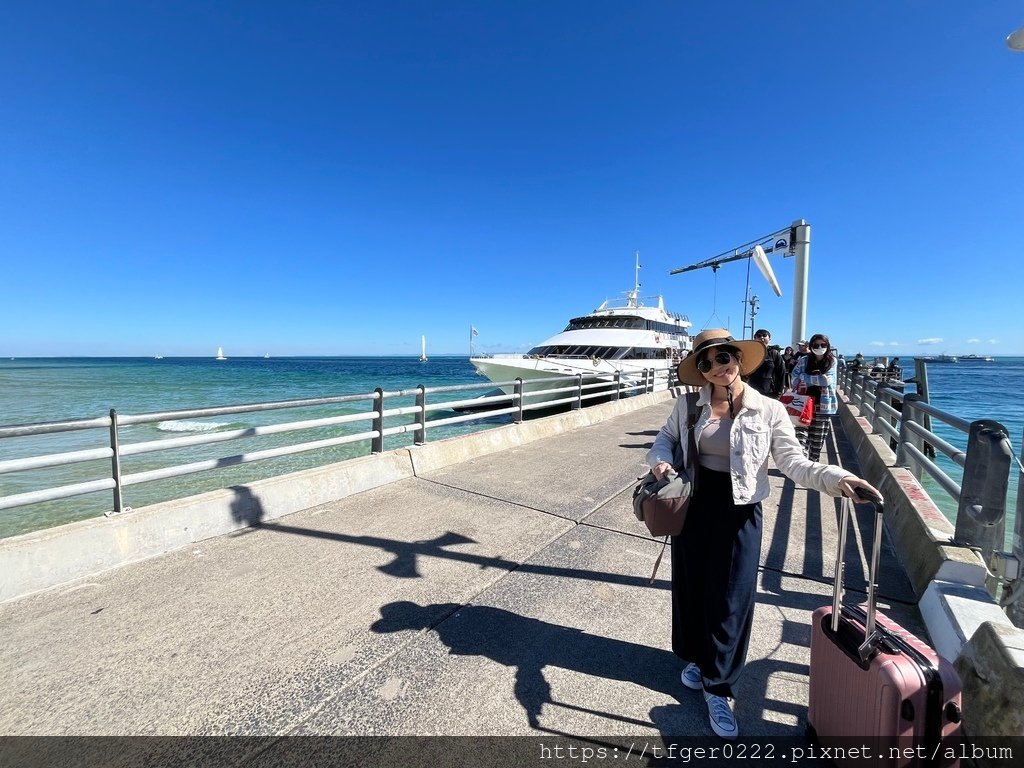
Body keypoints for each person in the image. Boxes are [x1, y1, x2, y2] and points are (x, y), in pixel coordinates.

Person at [646, 329, 879, 740]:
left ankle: (719, 688)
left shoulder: (768, 409)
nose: (718, 367)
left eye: (724, 357)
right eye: (707, 362)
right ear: (699, 369)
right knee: (693, 588)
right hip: (693, 507)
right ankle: (701, 659)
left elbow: (794, 462)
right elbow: (662, 443)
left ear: (739, 357)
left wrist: (839, 478)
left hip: (740, 511)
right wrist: (662, 465)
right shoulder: (686, 406)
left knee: (732, 597)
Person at [791, 333, 840, 461]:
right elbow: (794, 379)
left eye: (823, 345)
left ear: (827, 346)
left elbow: (827, 381)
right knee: (800, 440)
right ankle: (803, 466)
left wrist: (804, 377)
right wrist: (816, 378)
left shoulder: (832, 361)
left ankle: (813, 468)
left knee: (816, 443)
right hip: (803, 405)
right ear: (811, 346)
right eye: (816, 345)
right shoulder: (804, 361)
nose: (819, 347)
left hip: (823, 407)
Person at [745, 329, 785, 399]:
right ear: (755, 338)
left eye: (764, 335)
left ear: (769, 338)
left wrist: (779, 392)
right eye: (759, 336)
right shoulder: (750, 353)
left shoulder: (774, 353)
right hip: (752, 391)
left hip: (770, 392)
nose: (762, 337)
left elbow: (781, 373)